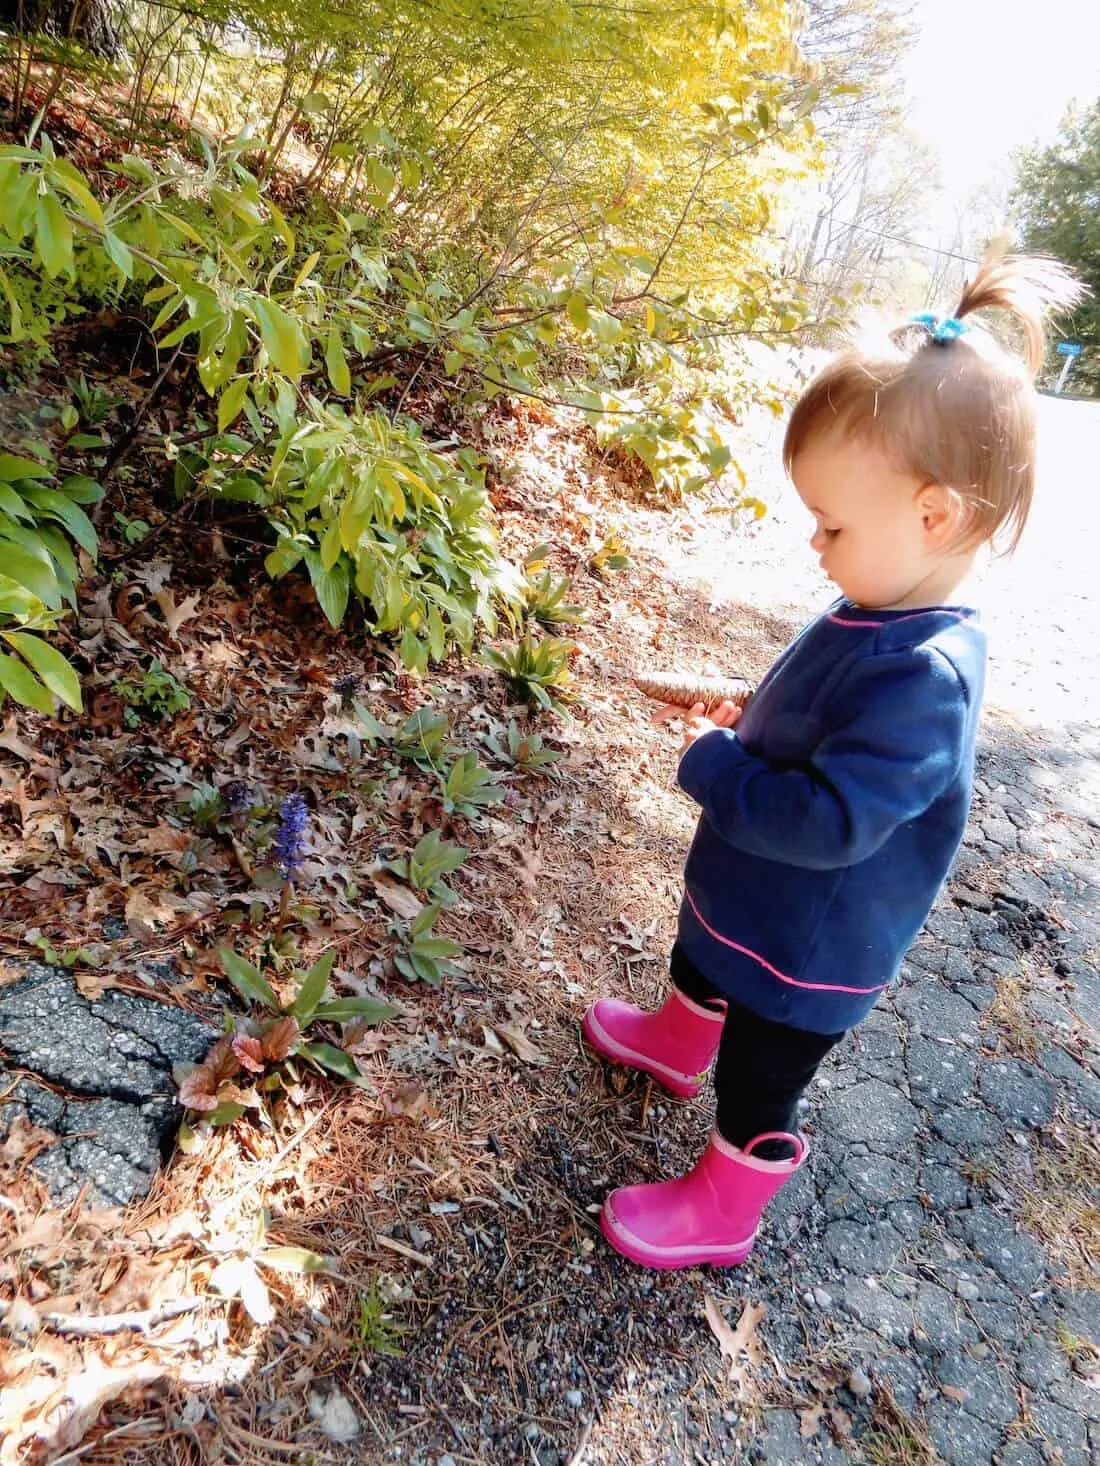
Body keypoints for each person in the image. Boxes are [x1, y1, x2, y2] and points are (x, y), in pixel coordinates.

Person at [583, 254, 1084, 1270]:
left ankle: (725, 1202)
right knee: (699, 954)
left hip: (806, 948)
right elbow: (816, 724)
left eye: (832, 522)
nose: (814, 542)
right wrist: (757, 724)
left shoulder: (926, 674)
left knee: (760, 1077)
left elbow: (829, 821)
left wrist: (718, 766)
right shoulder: (882, 603)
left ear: (934, 515)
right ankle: (676, 1040)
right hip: (754, 901)